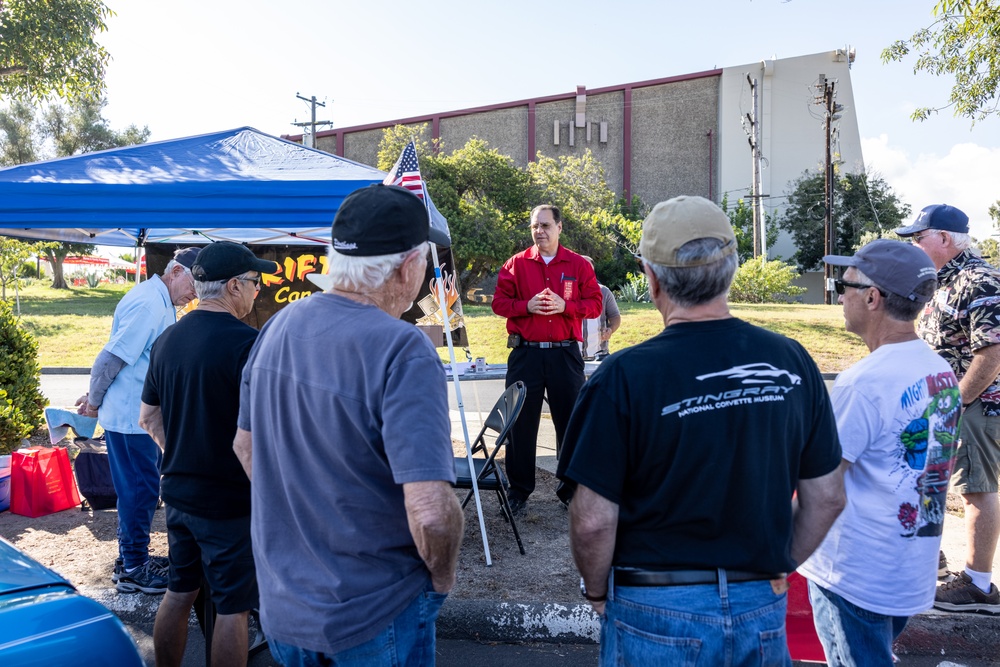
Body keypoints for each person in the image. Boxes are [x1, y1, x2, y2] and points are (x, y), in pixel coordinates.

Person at [557, 195, 846, 666]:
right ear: (731, 269)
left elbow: (592, 520)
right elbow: (828, 496)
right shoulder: (791, 360)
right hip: (760, 608)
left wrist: (595, 590)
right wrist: (776, 566)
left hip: (655, 608)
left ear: (651, 278)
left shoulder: (622, 377)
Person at [233, 184, 464, 666]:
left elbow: (245, 447)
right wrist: (441, 580)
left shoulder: (277, 326)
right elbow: (431, 512)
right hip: (375, 614)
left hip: (286, 608)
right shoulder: (403, 348)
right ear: (409, 267)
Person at [799, 239, 960, 665]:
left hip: (854, 575)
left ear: (872, 297)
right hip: (907, 569)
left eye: (842, 285)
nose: (838, 295)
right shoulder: (940, 371)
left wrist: (781, 555)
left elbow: (823, 487)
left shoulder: (863, 383)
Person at [139, 242, 277, 667]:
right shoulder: (250, 344)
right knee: (234, 607)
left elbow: (148, 416)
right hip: (231, 500)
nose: (257, 291)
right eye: (255, 283)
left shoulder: (168, 339)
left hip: (179, 491)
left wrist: (182, 450)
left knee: (179, 592)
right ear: (234, 286)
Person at [76, 246, 200, 595]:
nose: (194, 295)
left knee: (142, 490)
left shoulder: (158, 298)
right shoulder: (148, 303)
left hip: (139, 415)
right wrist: (94, 403)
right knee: (138, 492)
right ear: (176, 272)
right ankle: (132, 566)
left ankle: (134, 557)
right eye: (193, 285)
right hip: (131, 418)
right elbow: (109, 359)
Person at [896, 204, 1000, 613]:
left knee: (975, 487)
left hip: (975, 404)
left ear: (942, 239)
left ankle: (978, 584)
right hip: (944, 402)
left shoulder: (981, 279)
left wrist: (958, 400)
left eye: (918, 238)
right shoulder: (940, 280)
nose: (913, 245)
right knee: (931, 480)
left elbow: (991, 353)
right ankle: (932, 560)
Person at [491, 204, 603, 513]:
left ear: (559, 227)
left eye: (545, 225)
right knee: (520, 425)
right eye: (534, 226)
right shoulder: (516, 264)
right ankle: (519, 491)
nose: (539, 231)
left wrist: (565, 306)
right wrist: (525, 306)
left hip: (565, 354)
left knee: (570, 423)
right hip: (526, 353)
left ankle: (570, 488)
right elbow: (499, 303)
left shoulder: (578, 265)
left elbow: (594, 304)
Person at [580, 255, 621, 360]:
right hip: (571, 355)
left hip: (600, 354)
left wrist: (610, 329)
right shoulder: (566, 292)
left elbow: (615, 316)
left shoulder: (604, 292)